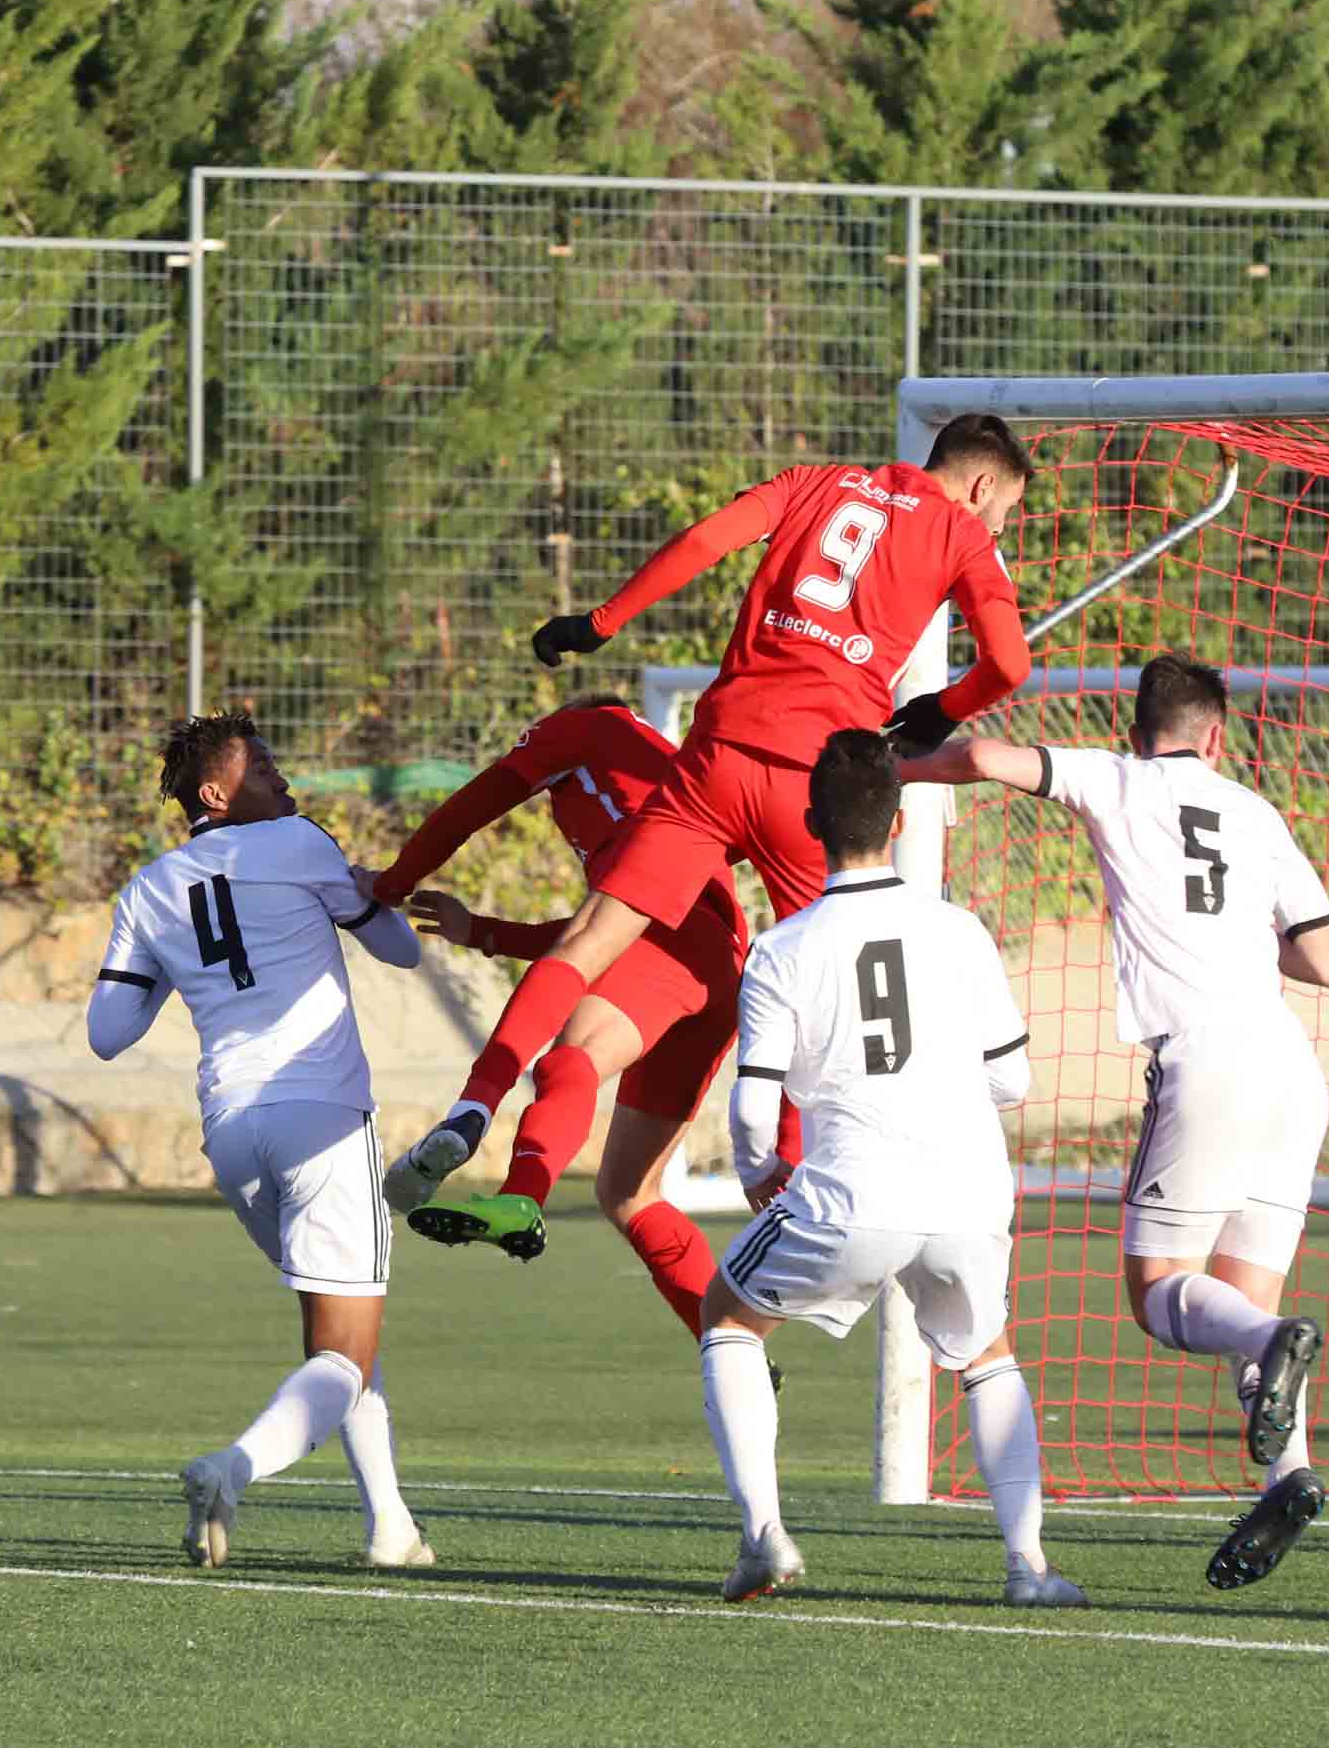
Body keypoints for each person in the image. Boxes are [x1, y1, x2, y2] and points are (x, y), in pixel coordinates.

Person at [389, 416, 1038, 1215]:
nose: (997, 527)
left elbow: (703, 541)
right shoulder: (963, 534)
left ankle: (476, 1104)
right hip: (817, 782)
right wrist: (943, 708)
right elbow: (1009, 664)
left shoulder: (814, 481)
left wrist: (600, 623)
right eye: (1003, 511)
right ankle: (798, 1187)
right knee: (820, 977)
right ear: (982, 486)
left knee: (590, 938)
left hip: (717, 756)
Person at [901, 653, 1329, 1591]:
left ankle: (1274, 1358)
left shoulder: (1120, 779)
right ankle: (1292, 1472)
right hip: (1291, 1065)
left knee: (1160, 1294)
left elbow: (986, 758)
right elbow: (1327, 962)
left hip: (1207, 1061)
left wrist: (894, 767)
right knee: (1244, 1298)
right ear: (1218, 736)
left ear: (1136, 726)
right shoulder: (1257, 812)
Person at [693, 731, 1082, 1609]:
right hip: (970, 1192)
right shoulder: (961, 929)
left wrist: (760, 1172)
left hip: (851, 1196)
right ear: (901, 822)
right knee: (988, 1355)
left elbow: (755, 1108)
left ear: (808, 827)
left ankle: (766, 1539)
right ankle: (1030, 1569)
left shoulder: (784, 948)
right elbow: (1012, 1080)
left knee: (728, 1316)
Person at [87, 712, 433, 1571]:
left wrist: (187, 964)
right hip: (319, 1115)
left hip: (233, 1131)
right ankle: (232, 1469)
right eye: (265, 767)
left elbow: (108, 1031)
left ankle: (390, 1527)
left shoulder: (148, 889)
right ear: (217, 792)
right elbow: (399, 949)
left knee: (339, 1334)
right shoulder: (299, 842)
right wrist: (357, 886)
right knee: (344, 1348)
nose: (284, 780)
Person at [353, 696, 745, 1335]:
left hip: (675, 942)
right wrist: (482, 931)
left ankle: (516, 1187)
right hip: (718, 966)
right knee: (629, 1194)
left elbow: (472, 805)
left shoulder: (590, 726)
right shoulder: (669, 777)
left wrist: (393, 883)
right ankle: (735, 1352)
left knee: (570, 1060)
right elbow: (614, 928)